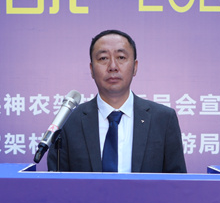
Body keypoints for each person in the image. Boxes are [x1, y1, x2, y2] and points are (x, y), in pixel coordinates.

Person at [47, 29, 187, 173]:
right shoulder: (69, 121)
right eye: (103, 58)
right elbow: (56, 183)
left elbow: (177, 182)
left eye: (121, 57)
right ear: (91, 69)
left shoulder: (163, 119)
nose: (113, 67)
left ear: (135, 67)